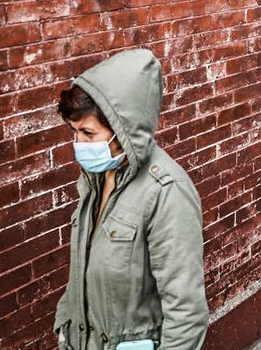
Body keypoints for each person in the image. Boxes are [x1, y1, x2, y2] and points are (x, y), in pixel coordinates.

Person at [54, 49, 208, 350]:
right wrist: (66, 330)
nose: (79, 145)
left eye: (88, 133)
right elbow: (83, 273)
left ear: (123, 131)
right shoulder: (94, 180)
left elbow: (186, 312)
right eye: (75, 133)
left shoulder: (166, 191)